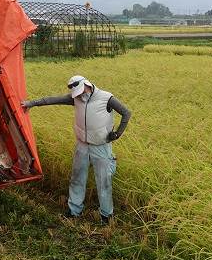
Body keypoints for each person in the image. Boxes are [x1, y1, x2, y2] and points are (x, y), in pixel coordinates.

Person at [22, 75, 131, 225]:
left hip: (101, 147)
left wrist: (117, 134)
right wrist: (31, 103)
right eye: (76, 94)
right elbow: (53, 100)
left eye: (80, 91)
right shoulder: (76, 98)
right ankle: (74, 211)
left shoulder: (107, 98)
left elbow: (126, 113)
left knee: (103, 182)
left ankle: (106, 215)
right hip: (82, 146)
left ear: (87, 84)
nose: (78, 95)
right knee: (77, 178)